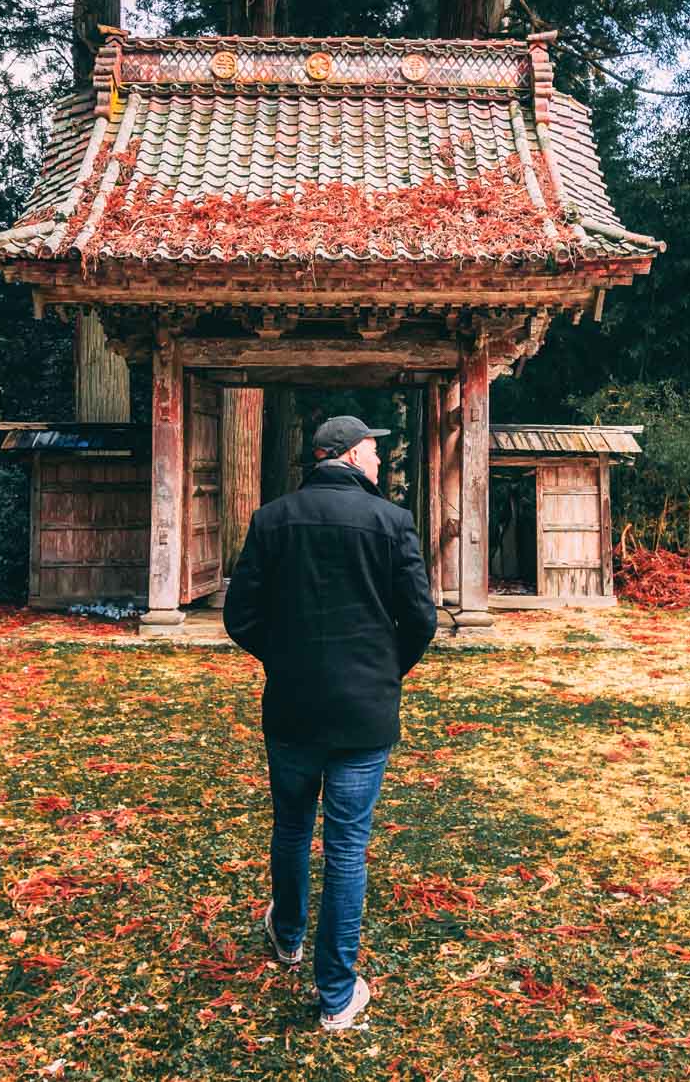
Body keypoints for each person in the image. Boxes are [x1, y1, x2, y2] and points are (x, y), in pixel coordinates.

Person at [223, 414, 438, 1031]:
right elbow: (420, 619)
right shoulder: (393, 523)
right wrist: (384, 670)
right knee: (347, 846)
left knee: (292, 825)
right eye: (373, 451)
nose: (377, 461)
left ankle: (286, 934)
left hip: (291, 704)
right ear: (344, 454)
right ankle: (337, 994)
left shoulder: (272, 520)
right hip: (364, 711)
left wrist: (286, 659)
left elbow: (241, 616)